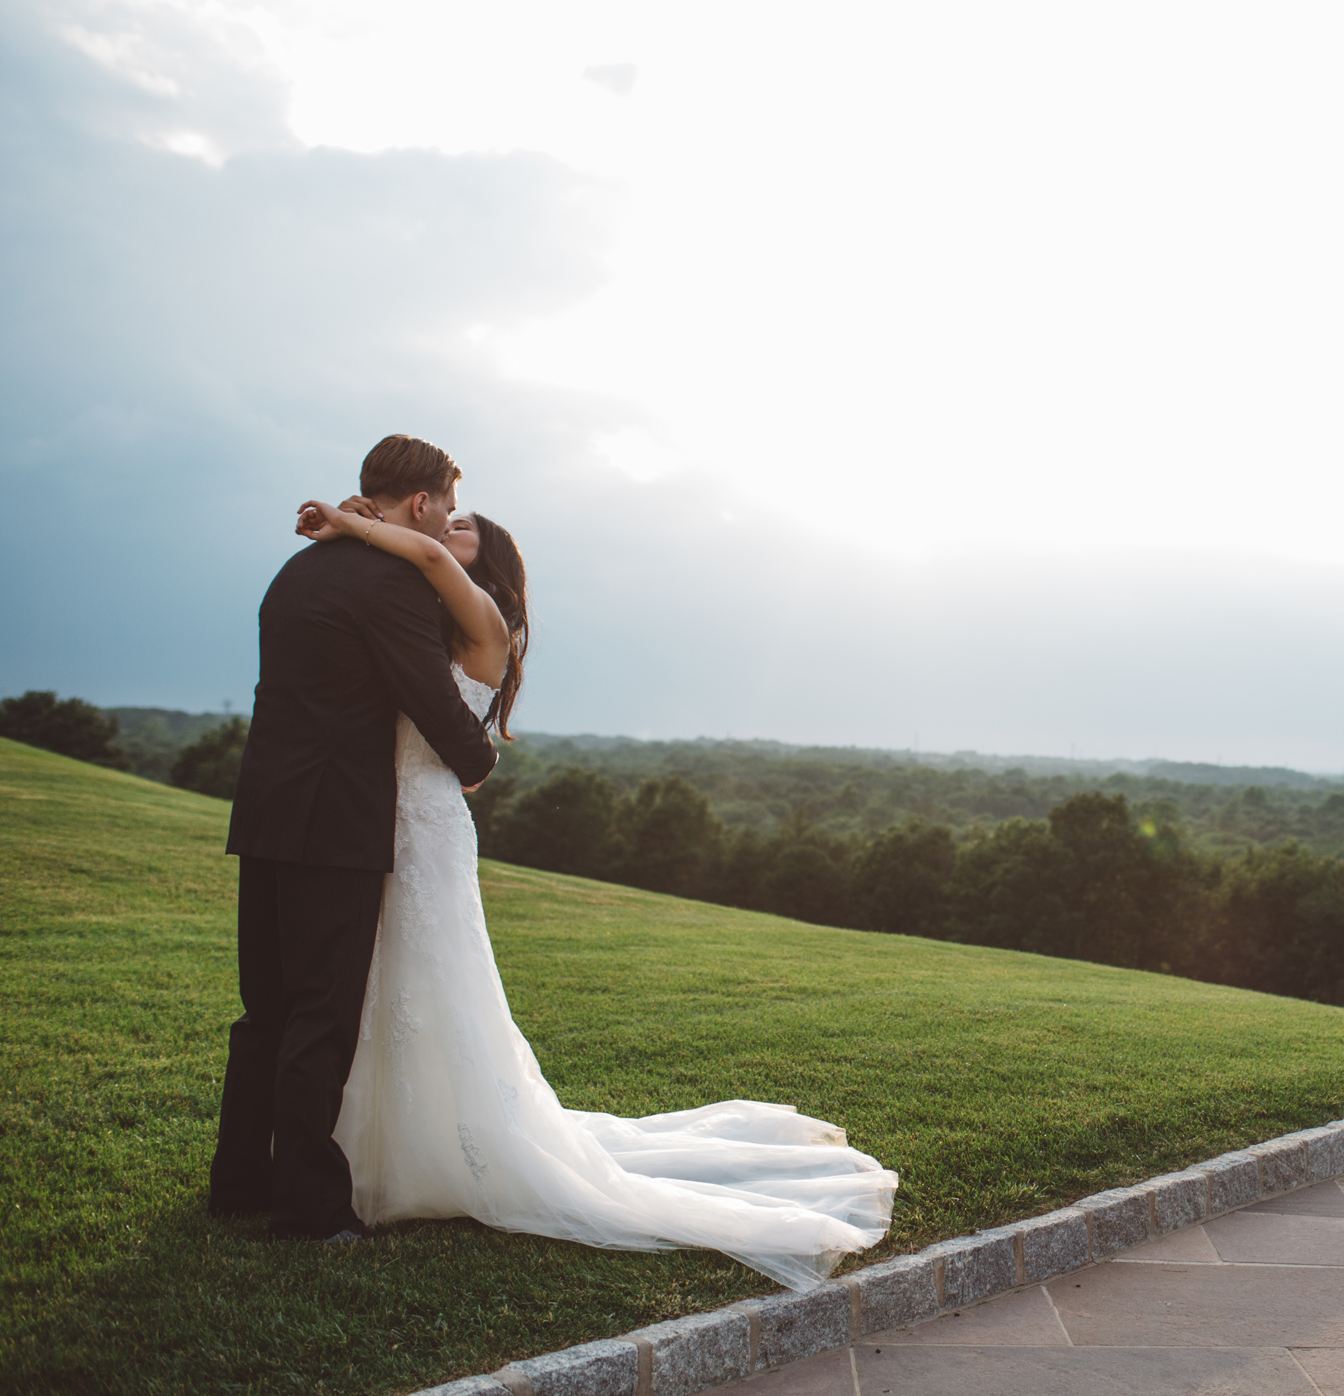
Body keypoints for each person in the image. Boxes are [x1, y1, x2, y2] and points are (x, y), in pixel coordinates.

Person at [293, 484, 895, 1290]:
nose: (446, 527)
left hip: (422, 823)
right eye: (446, 515)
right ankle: (360, 1147)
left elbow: (428, 554)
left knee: (429, 981)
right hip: (380, 815)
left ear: (489, 557)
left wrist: (357, 524)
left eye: (463, 525)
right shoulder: (421, 616)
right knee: (374, 983)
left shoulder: (483, 620)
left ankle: (437, 1151)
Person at [213, 435, 499, 1243]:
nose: (446, 519)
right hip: (333, 821)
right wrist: (479, 759)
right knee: (320, 1011)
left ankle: (240, 1181)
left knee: (263, 1009)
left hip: (265, 808)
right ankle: (308, 1208)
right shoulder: (391, 582)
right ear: (421, 502)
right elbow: (429, 699)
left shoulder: (298, 569)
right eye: (445, 503)